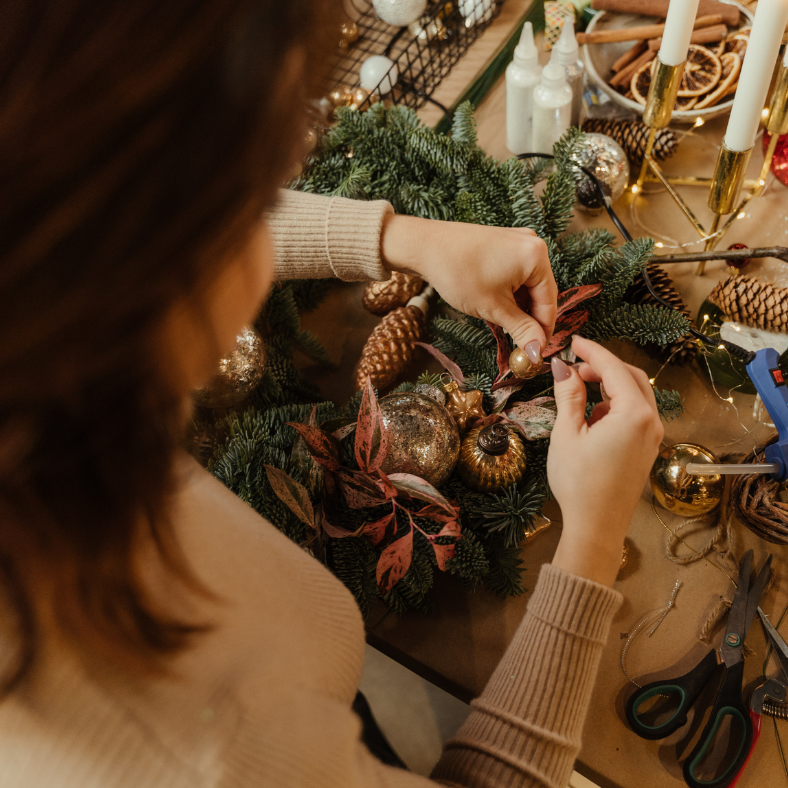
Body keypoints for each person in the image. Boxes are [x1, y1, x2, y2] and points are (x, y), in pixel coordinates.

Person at [0, 2, 663, 787]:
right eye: (259, 189)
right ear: (164, 259)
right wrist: (589, 546)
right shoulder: (202, 755)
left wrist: (402, 238)